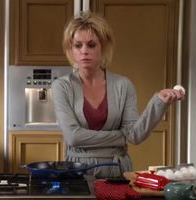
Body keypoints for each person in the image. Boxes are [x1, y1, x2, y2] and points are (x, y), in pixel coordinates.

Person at [51, 11, 185, 178]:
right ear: (70, 49)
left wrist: (158, 103)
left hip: (118, 170)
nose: (84, 51)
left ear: (103, 47)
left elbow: (135, 135)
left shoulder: (123, 85)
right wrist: (120, 136)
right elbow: (74, 137)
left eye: (91, 45)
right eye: (78, 45)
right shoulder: (61, 87)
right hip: (78, 172)